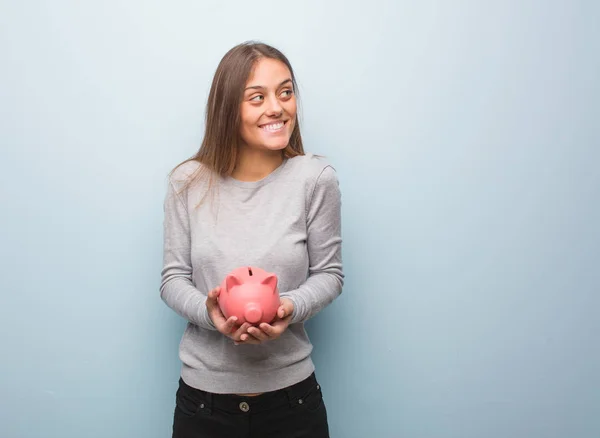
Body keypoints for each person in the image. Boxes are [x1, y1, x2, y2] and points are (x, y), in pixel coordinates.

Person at [160, 41, 344, 438]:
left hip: (293, 404)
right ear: (228, 108)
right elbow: (173, 280)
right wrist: (210, 315)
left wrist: (288, 307)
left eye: (285, 91)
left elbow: (329, 275)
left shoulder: (315, 179)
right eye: (256, 97)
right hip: (203, 405)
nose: (277, 107)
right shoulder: (187, 182)